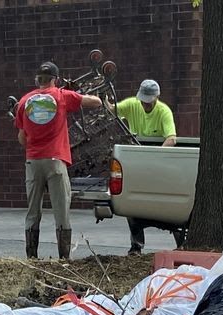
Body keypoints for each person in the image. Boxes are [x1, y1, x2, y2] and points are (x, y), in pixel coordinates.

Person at [15, 61, 102, 260]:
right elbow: (93, 102)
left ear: (38, 79)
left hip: (33, 161)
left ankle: (32, 257)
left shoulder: (24, 101)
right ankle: (63, 258)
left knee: (32, 211)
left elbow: (22, 138)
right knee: (61, 210)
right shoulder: (62, 96)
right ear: (55, 79)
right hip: (55, 160)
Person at [114, 79, 177, 254]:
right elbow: (112, 109)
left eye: (149, 100)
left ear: (157, 97)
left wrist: (155, 157)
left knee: (170, 207)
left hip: (158, 163)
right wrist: (102, 98)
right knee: (132, 205)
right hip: (137, 162)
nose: (145, 104)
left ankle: (181, 243)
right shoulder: (132, 105)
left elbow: (171, 138)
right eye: (143, 100)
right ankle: (136, 246)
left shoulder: (164, 111)